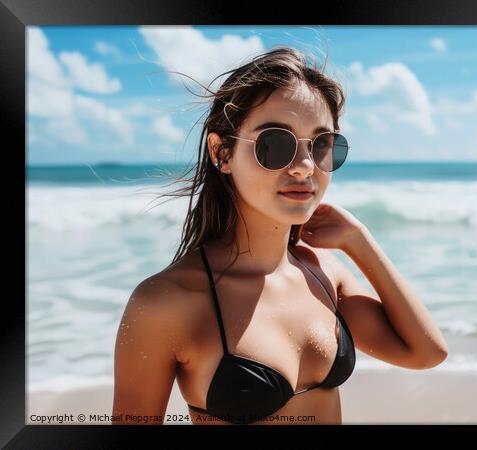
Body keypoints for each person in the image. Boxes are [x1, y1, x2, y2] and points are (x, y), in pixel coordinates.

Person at [112, 46, 448, 425]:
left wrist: (359, 242)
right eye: (275, 144)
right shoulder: (165, 302)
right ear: (221, 152)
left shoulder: (323, 275)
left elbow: (425, 353)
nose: (305, 167)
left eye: (322, 145)